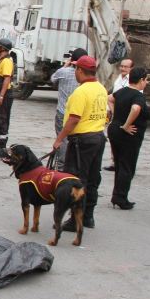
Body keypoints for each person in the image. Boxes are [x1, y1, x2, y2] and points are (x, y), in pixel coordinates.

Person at [53, 55, 107, 230]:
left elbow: (74, 119)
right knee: (92, 178)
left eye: (76, 68)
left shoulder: (81, 92)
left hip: (81, 141)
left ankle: (76, 219)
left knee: (76, 180)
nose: (74, 72)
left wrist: (59, 139)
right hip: (98, 137)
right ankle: (88, 216)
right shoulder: (100, 88)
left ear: (80, 70)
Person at [107, 67, 149, 210]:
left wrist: (116, 115)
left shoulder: (122, 91)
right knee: (127, 166)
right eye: (146, 80)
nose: (146, 83)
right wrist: (126, 125)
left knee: (119, 164)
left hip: (114, 130)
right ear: (141, 80)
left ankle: (117, 195)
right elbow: (136, 109)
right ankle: (120, 198)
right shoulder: (138, 96)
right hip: (128, 135)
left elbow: (109, 98)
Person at [50, 48, 88, 169]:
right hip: (80, 114)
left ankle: (61, 166)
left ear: (72, 60)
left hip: (63, 112)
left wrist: (65, 65)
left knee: (63, 139)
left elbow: (53, 79)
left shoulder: (63, 72)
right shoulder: (86, 77)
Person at [104, 58, 134, 171]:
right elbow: (112, 96)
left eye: (126, 67)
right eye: (122, 66)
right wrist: (112, 111)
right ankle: (114, 162)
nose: (123, 68)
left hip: (126, 113)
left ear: (131, 68)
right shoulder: (119, 78)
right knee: (114, 138)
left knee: (124, 140)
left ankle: (122, 163)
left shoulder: (132, 81)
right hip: (117, 113)